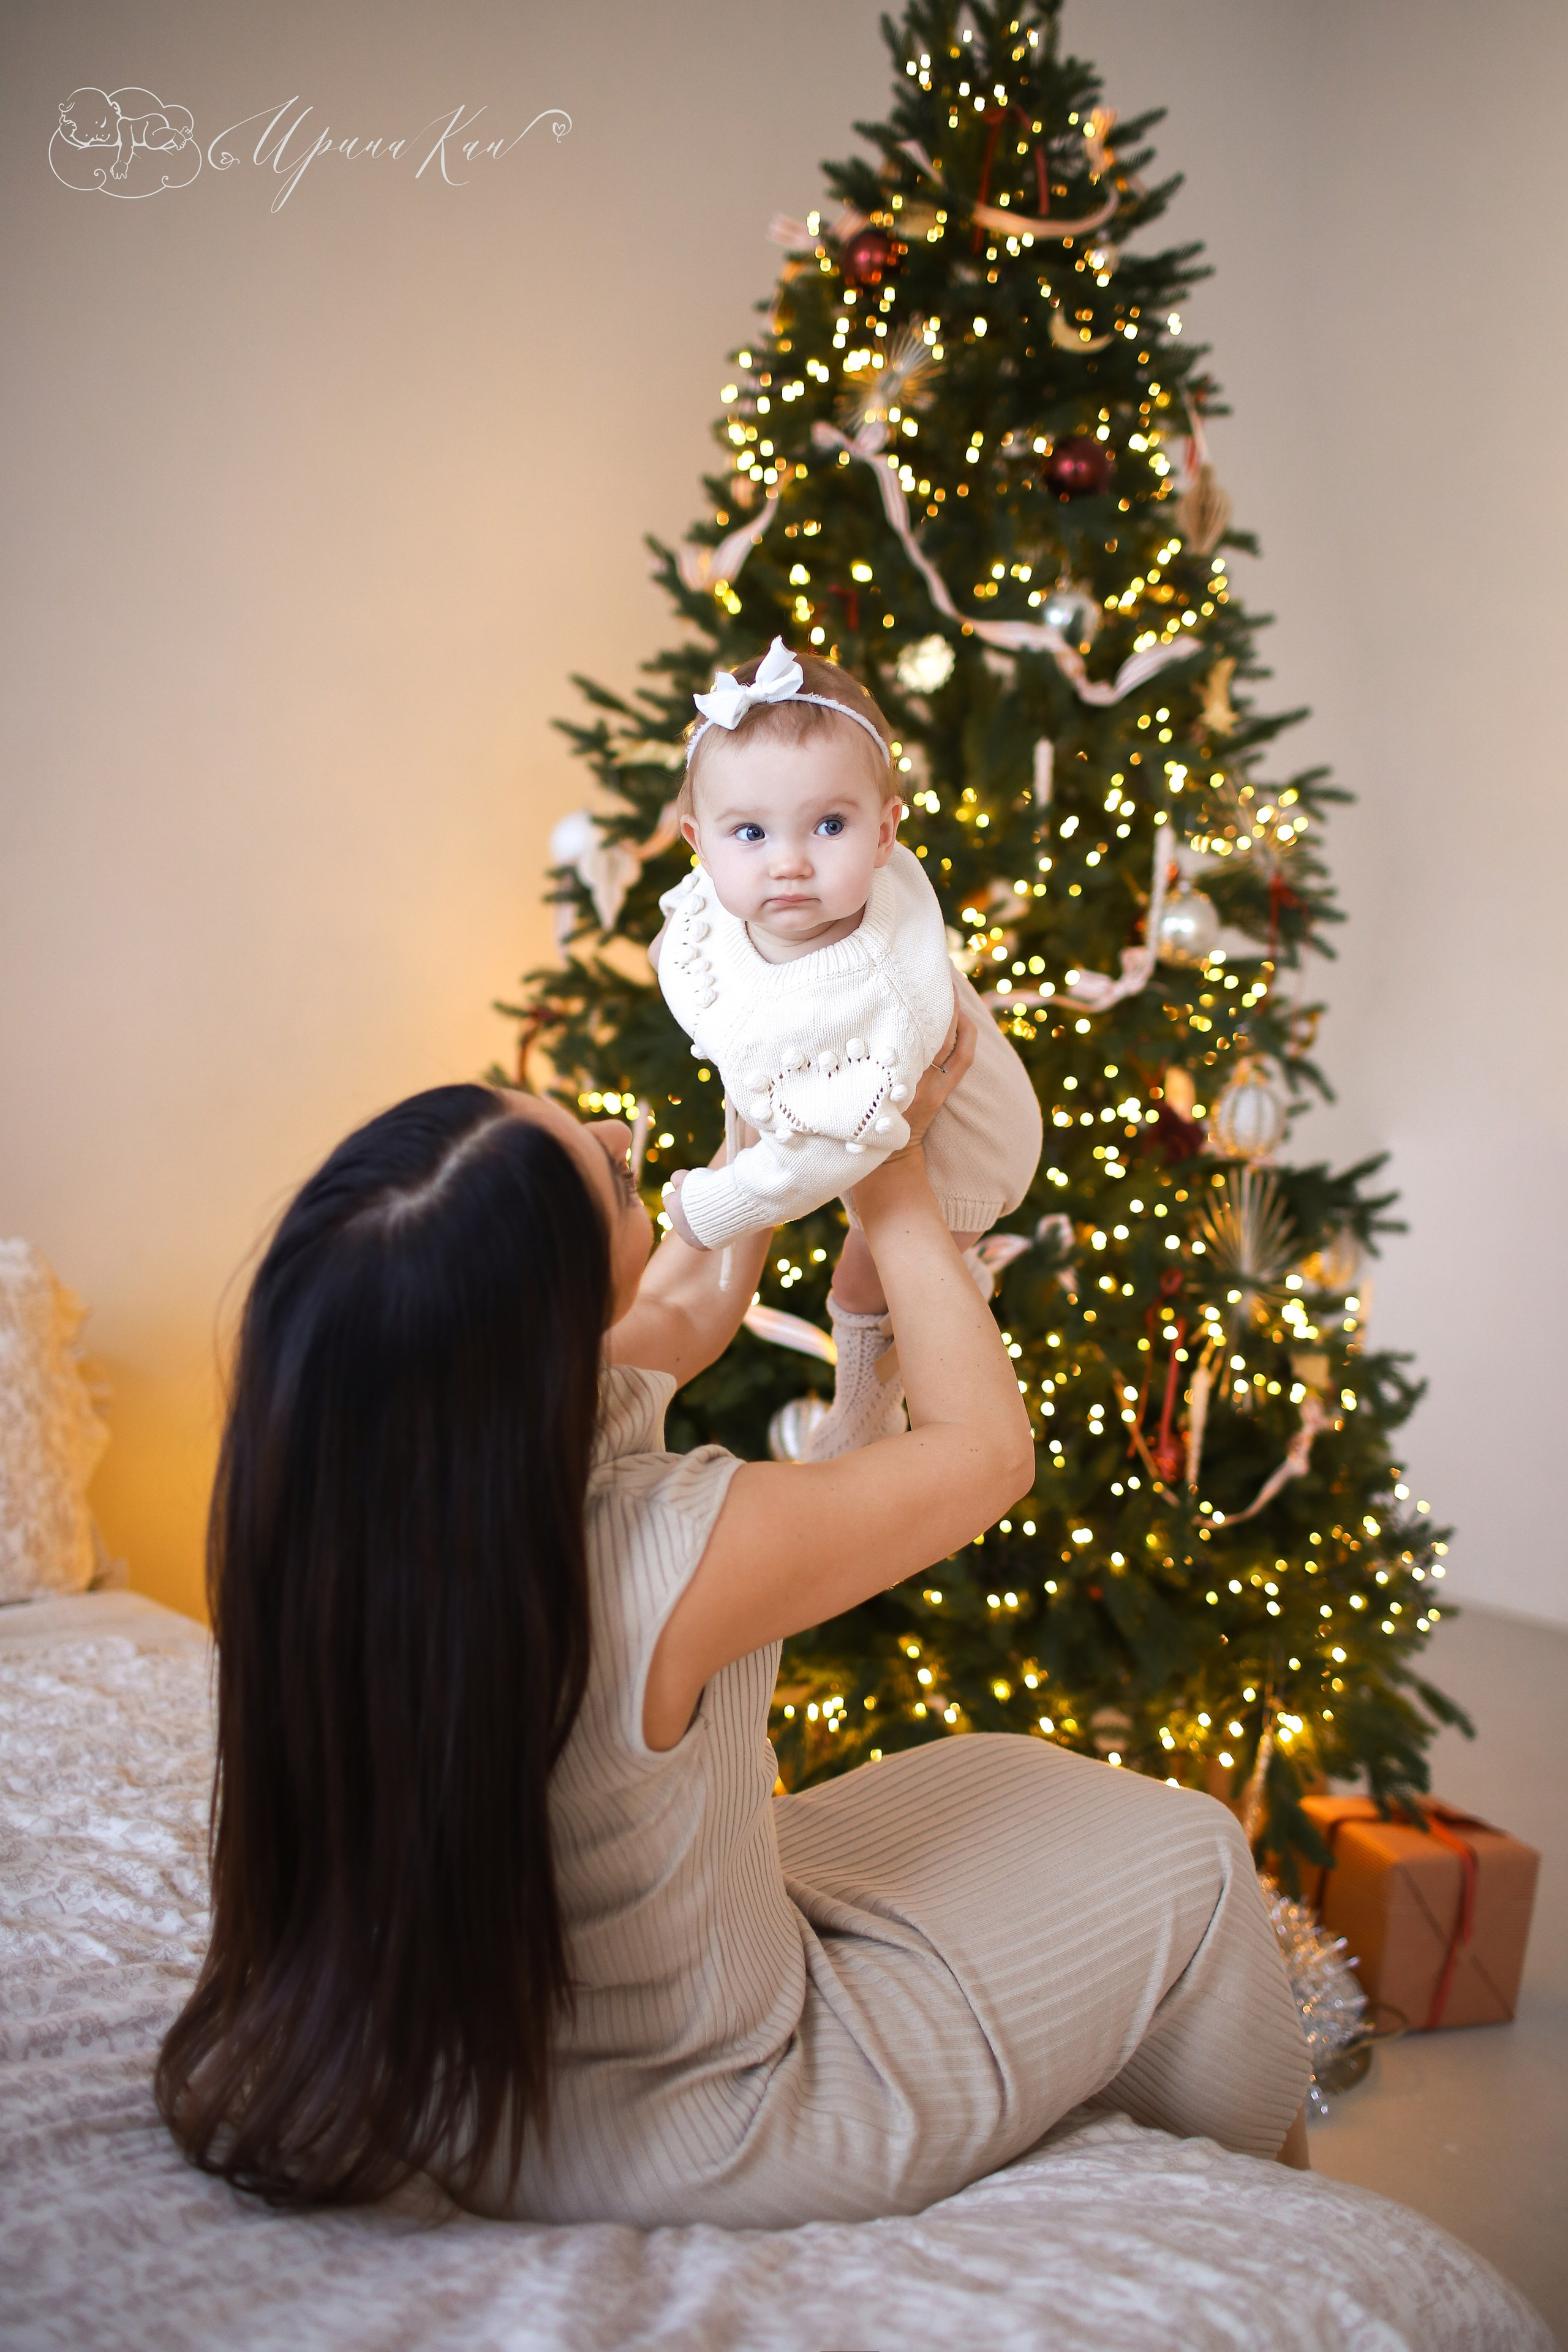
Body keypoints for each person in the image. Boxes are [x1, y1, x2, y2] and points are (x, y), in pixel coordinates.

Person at [156, 1041, 1311, 2223]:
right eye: (606, 1178)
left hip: (477, 2082)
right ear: (546, 1313)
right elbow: (984, 1455)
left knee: (999, 1779)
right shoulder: (669, 1551)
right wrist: (894, 1173)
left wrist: (782, 1053)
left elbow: (687, 1303)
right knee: (1199, 1856)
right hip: (704, 2116)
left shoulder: (353, 1481)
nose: (622, 1141)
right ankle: (1279, 2242)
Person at [652, 636, 1042, 1458]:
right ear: (697, 839)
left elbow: (822, 1156)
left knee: (866, 1277)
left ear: (885, 831)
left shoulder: (877, 994)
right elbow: (703, 921)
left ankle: (867, 1406)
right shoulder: (745, 893)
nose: (789, 863)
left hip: (957, 1138)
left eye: (829, 824)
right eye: (749, 833)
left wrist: (711, 1211)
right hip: (852, 1105)